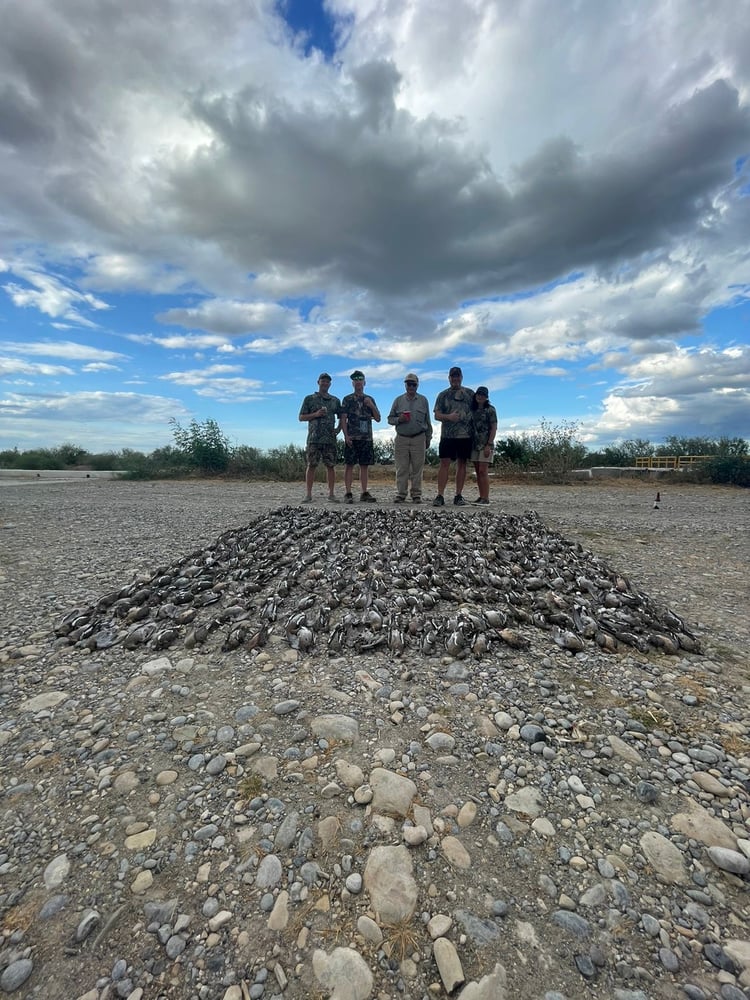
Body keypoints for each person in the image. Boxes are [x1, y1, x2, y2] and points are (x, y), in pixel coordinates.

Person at [387, 373, 432, 503]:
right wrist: (399, 419)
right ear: (405, 385)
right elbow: (390, 419)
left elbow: (427, 420)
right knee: (402, 468)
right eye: (408, 384)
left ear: (417, 385)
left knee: (417, 469)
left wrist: (428, 437)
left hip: (419, 438)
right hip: (401, 438)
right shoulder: (398, 400)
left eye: (413, 384)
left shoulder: (423, 400)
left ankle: (416, 495)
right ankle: (401, 494)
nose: (411, 386)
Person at [432, 366, 474, 506]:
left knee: (462, 464)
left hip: (465, 436)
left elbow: (478, 410)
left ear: (461, 377)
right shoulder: (443, 395)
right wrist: (449, 417)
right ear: (449, 378)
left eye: (457, 376)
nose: (455, 379)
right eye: (452, 376)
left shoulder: (470, 394)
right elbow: (437, 415)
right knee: (444, 464)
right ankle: (440, 495)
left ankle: (458, 495)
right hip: (447, 436)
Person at [298, 373, 342, 503]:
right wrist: (316, 414)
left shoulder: (335, 400)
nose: (325, 384)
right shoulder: (309, 399)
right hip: (314, 438)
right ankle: (308, 494)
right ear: (318, 382)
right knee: (311, 465)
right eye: (323, 381)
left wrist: (339, 429)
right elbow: (301, 417)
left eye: (327, 382)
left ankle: (332, 494)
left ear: (330, 384)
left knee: (331, 466)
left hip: (329, 439)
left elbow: (342, 416)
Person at [340, 370, 381, 503]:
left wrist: (371, 405)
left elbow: (378, 418)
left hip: (366, 438)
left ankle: (364, 492)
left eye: (360, 379)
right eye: (355, 379)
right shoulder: (347, 399)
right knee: (349, 465)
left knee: (364, 466)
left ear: (364, 382)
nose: (358, 382)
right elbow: (343, 418)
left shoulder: (370, 399)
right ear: (353, 383)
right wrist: (346, 435)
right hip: (352, 437)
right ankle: (348, 493)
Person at [469, 386, 497, 505]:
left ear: (486, 397)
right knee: (477, 471)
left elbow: (494, 427)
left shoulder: (491, 410)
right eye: (478, 394)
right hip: (475, 444)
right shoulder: (473, 410)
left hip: (486, 444)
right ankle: (481, 496)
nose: (480, 396)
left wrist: (489, 444)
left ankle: (486, 498)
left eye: (483, 395)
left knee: (483, 471)